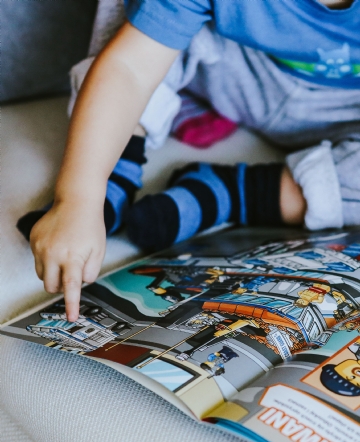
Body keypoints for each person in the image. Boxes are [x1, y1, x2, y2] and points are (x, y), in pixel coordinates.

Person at [17, 0, 360, 322]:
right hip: (231, 70)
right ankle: (116, 164)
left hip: (342, 110)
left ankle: (238, 193)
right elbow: (129, 69)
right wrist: (78, 198)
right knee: (135, 29)